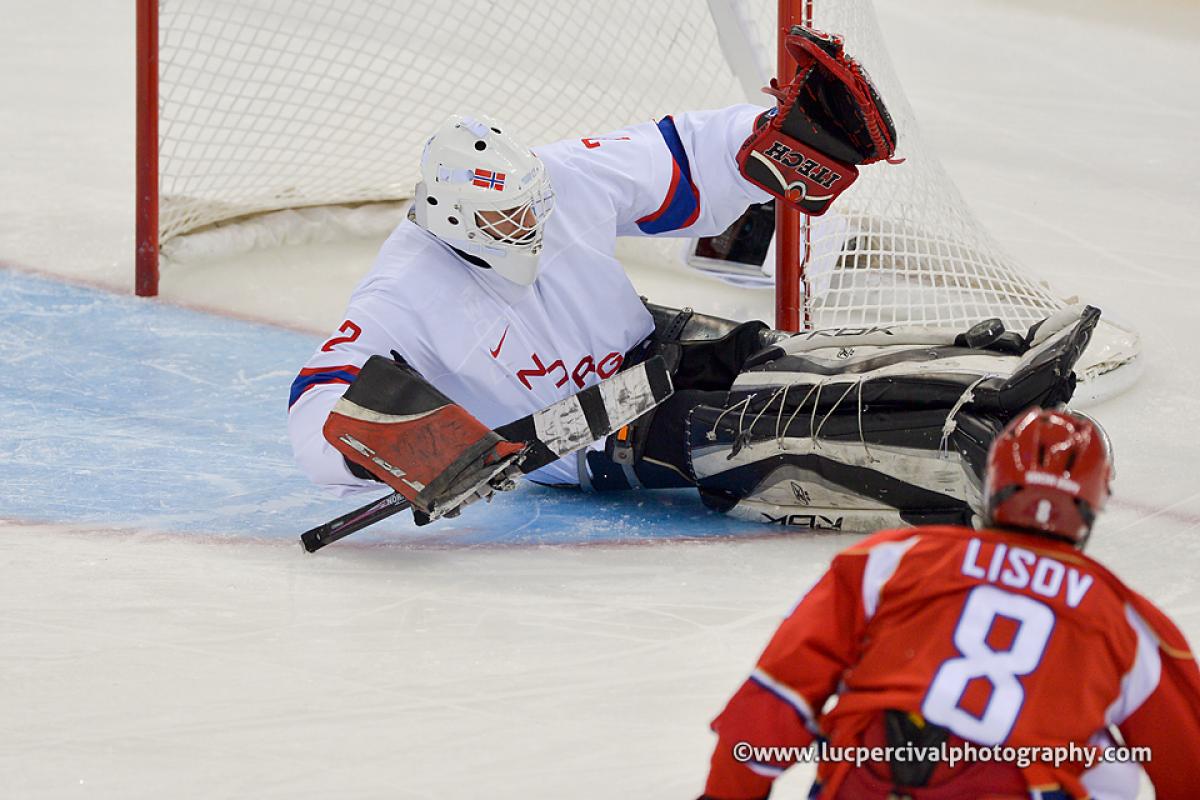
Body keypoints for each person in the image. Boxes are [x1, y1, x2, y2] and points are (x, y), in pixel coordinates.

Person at [286, 27, 1091, 529]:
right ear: (452, 218)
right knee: (783, 430)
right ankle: (970, 443)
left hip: (647, 341)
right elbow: (316, 409)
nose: (531, 224)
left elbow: (672, 157)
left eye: (532, 209)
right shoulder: (403, 292)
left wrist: (765, 139)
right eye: (507, 222)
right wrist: (415, 449)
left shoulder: (551, 181)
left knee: (799, 363)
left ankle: (995, 359)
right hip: (591, 434)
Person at [699, 408, 1200, 799]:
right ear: (1092, 504)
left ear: (993, 484)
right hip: (1018, 787)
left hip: (871, 783)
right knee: (1108, 767)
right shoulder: (1128, 622)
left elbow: (776, 697)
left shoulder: (889, 561)